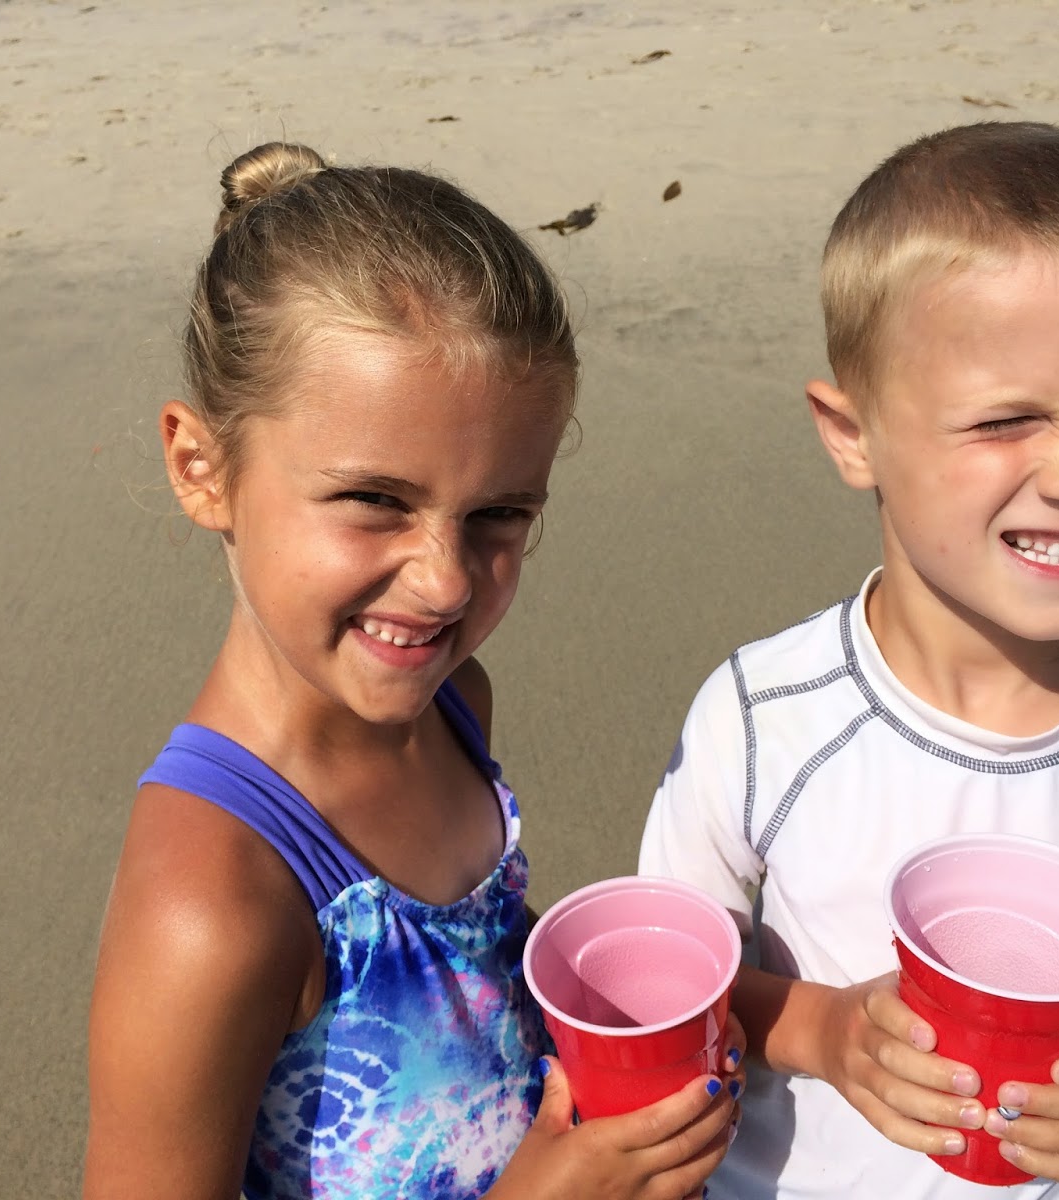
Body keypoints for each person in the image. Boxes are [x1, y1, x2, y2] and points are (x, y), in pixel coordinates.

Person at [639, 121, 1059, 1199]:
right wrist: (823, 1031)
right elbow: (672, 973)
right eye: (1006, 419)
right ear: (853, 435)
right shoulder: (763, 718)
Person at [84, 142, 742, 1200]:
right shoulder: (213, 901)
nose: (444, 582)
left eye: (499, 514)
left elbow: (466, 985)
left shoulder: (452, 708)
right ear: (201, 468)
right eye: (374, 500)